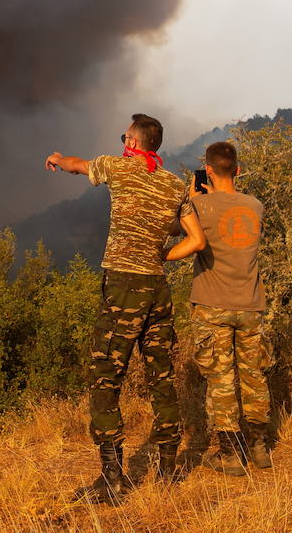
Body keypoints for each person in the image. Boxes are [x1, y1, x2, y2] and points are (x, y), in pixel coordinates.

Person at [45, 113, 206, 502]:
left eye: (124, 137)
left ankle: (112, 480)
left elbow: (77, 166)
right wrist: (163, 257)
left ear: (133, 144)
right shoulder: (173, 185)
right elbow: (196, 240)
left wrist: (57, 156)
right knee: (162, 377)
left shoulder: (117, 167)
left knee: (105, 377)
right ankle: (168, 470)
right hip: (157, 289)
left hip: (122, 287)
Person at [187, 140, 272, 474]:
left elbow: (178, 233)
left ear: (207, 170)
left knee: (221, 380)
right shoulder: (256, 205)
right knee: (254, 377)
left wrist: (192, 201)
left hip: (212, 304)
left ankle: (230, 455)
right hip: (250, 304)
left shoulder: (200, 207)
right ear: (238, 170)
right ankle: (261, 449)